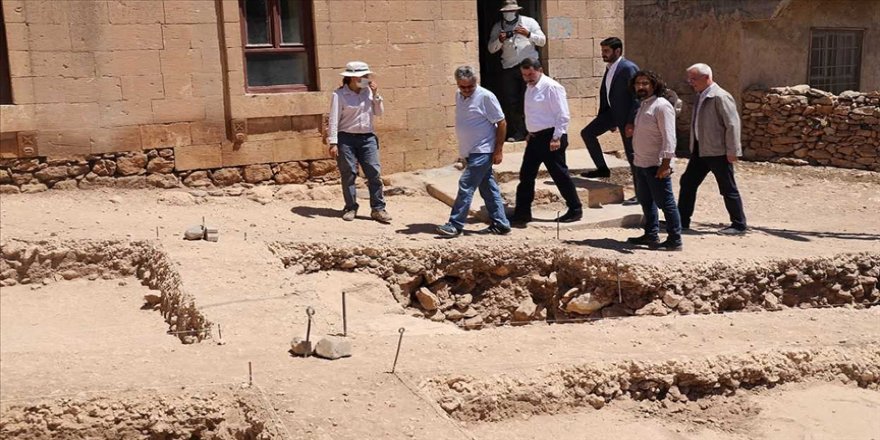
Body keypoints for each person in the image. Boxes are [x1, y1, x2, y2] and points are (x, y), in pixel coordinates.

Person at [436, 66, 511, 238]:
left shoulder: (485, 96)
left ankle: (455, 224)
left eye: (471, 86)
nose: (467, 90)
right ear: (457, 84)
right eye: (463, 87)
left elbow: (501, 123)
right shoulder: (458, 95)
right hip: (470, 151)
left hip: (483, 150)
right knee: (488, 188)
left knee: (466, 184)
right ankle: (501, 223)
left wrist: (498, 150)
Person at [510, 58, 582, 225]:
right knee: (526, 175)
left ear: (539, 70)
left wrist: (556, 137)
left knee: (559, 175)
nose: (528, 77)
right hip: (535, 138)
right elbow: (534, 113)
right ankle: (522, 213)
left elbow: (562, 114)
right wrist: (530, 132)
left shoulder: (551, 87)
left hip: (551, 137)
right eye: (524, 75)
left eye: (530, 74)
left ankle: (575, 209)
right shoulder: (530, 87)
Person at [678, 63, 747, 235]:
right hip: (701, 150)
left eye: (693, 79)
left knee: (727, 187)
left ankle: (738, 224)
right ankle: (681, 220)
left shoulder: (720, 96)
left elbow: (732, 124)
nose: (690, 82)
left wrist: (733, 151)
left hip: (718, 151)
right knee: (687, 182)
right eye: (689, 79)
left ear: (706, 78)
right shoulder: (701, 95)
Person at [327, 61, 392, 224]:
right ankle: (350, 207)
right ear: (352, 78)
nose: (366, 79)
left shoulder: (369, 92)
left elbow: (379, 112)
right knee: (348, 174)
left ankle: (378, 209)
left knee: (374, 173)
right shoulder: (339, 95)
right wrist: (333, 143)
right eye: (363, 76)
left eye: (367, 76)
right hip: (346, 138)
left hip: (367, 137)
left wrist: (376, 94)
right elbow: (333, 119)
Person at [579, 37, 640, 205]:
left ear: (617, 51)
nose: (603, 54)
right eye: (602, 51)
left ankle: (641, 194)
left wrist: (631, 122)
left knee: (632, 154)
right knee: (588, 133)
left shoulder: (628, 68)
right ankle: (602, 169)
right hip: (611, 114)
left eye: (606, 51)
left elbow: (637, 97)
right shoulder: (610, 67)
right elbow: (607, 93)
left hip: (627, 117)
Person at [626, 70, 683, 251]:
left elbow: (669, 137)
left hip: (656, 164)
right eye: (637, 84)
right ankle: (651, 234)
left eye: (645, 84)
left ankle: (675, 239)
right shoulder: (643, 105)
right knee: (646, 201)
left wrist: (665, 164)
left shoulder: (661, 106)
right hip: (641, 163)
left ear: (654, 85)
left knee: (666, 203)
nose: (640, 87)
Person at [487, 0, 546, 142]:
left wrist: (528, 34)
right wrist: (500, 40)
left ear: (517, 10)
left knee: (532, 98)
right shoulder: (497, 27)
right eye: (506, 12)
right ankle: (519, 131)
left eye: (511, 11)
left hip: (529, 67)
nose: (509, 14)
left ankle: (535, 130)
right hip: (509, 68)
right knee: (511, 101)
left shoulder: (529, 22)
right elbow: (491, 48)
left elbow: (542, 41)